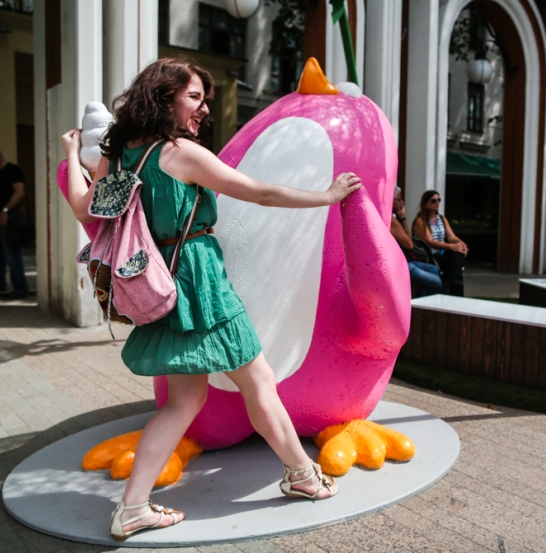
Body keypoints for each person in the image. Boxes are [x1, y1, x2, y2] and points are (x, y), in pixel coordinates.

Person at [61, 58, 362, 540]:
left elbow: (83, 208)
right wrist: (325, 197)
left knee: (184, 401)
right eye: (194, 97)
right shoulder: (178, 153)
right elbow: (259, 192)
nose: (203, 108)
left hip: (156, 281)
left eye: (204, 98)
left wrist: (72, 151)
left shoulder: (118, 159)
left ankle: (133, 506)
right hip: (199, 279)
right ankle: (303, 476)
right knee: (258, 380)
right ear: (165, 99)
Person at [0, 145, 29, 299]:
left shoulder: (12, 170)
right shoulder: (2, 172)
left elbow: (19, 192)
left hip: (8, 216)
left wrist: (5, 211)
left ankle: (20, 289)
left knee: (11, 253)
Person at [412, 190, 468, 296]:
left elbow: (451, 237)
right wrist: (452, 246)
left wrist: (461, 244)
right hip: (429, 254)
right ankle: (455, 284)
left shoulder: (442, 218)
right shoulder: (420, 221)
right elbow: (430, 242)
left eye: (439, 200)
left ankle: (455, 279)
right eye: (433, 201)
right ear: (426, 204)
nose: (437, 203)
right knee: (445, 260)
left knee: (458, 254)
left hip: (443, 250)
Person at [390, 187, 442, 297]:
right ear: (390, 200)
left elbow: (406, 237)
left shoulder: (441, 218)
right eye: (399, 199)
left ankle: (422, 304)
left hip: (406, 260)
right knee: (436, 282)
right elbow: (409, 244)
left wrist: (402, 218)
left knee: (433, 269)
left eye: (439, 200)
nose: (402, 202)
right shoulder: (390, 220)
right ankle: (424, 308)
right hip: (399, 264)